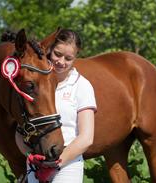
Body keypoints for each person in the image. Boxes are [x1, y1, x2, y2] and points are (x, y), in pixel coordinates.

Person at [18, 28, 97, 183]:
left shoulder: (82, 86)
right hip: (36, 164)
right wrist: (30, 156)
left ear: (76, 57)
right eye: (57, 54)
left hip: (68, 165)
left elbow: (86, 138)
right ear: (50, 50)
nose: (61, 62)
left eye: (68, 58)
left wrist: (55, 163)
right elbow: (19, 132)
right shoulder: (34, 85)